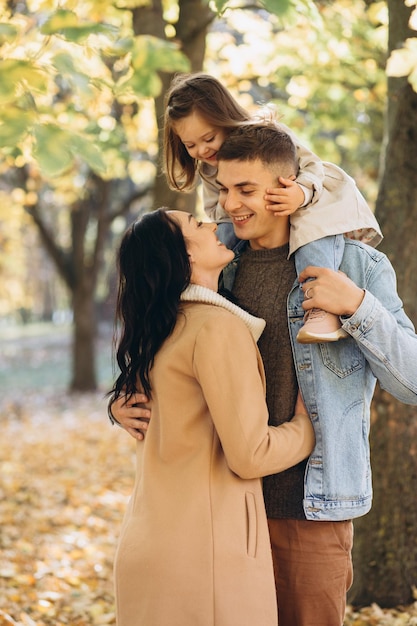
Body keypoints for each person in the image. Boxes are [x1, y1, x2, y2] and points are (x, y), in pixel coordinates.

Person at [110, 124, 417, 626]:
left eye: (246, 190)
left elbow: (412, 380)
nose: (229, 205)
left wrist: (357, 307)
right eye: (224, 189)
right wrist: (131, 398)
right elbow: (168, 352)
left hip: (311, 509)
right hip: (223, 517)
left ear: (285, 186)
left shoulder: (356, 266)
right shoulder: (218, 273)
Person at [110, 207, 315, 626]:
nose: (212, 222)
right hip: (205, 561)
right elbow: (251, 455)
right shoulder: (215, 329)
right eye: (195, 224)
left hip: (151, 548)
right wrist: (307, 428)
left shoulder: (161, 329)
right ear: (183, 257)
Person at [163, 72, 383, 343]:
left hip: (308, 202)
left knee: (310, 237)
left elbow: (313, 166)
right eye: (190, 145)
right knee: (216, 241)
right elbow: (218, 209)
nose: (202, 150)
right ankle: (204, 296)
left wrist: (300, 193)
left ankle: (321, 308)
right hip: (246, 219)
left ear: (224, 118)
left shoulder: (268, 135)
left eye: (208, 138)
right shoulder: (209, 165)